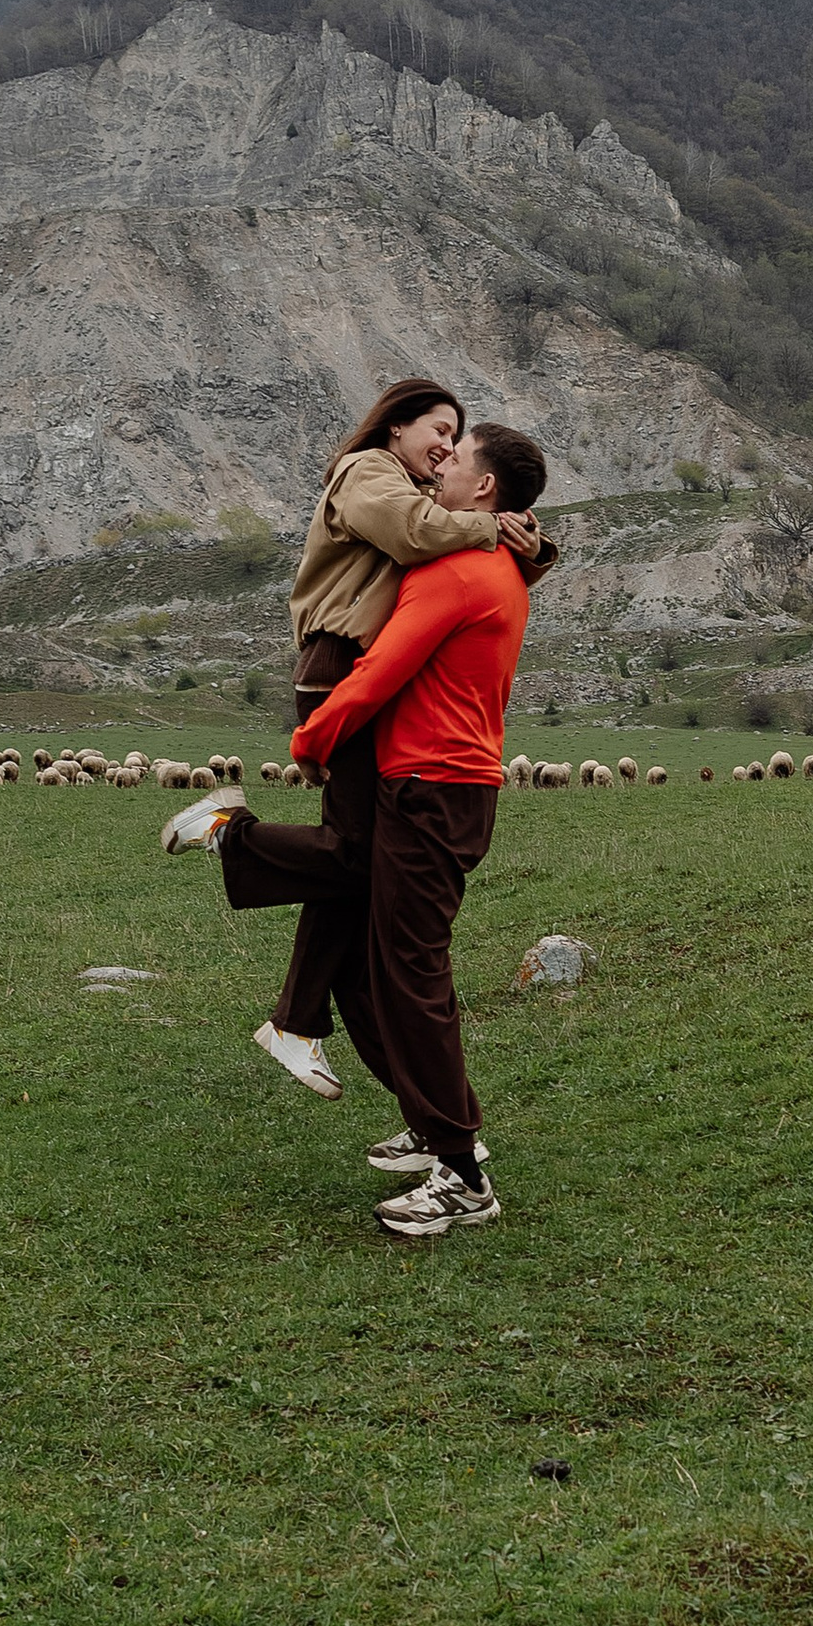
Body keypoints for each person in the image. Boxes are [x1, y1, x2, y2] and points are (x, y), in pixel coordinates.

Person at [160, 378, 543, 1095]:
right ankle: (226, 831)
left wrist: (529, 542)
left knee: (360, 863)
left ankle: (297, 1020)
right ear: (395, 426)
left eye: (455, 438)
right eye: (437, 428)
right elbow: (418, 536)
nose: (445, 445)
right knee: (361, 854)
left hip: (359, 669)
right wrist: (497, 526)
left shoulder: (416, 490)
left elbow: (463, 561)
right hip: (339, 666)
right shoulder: (366, 473)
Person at [290, 420, 548, 1238]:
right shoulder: (500, 563)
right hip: (448, 784)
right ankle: (436, 1125)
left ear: (486, 491)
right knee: (378, 971)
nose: (442, 466)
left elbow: (377, 674)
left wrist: (311, 738)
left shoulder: (463, 571)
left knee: (409, 977)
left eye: (458, 457)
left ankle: (462, 1174)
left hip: (429, 785)